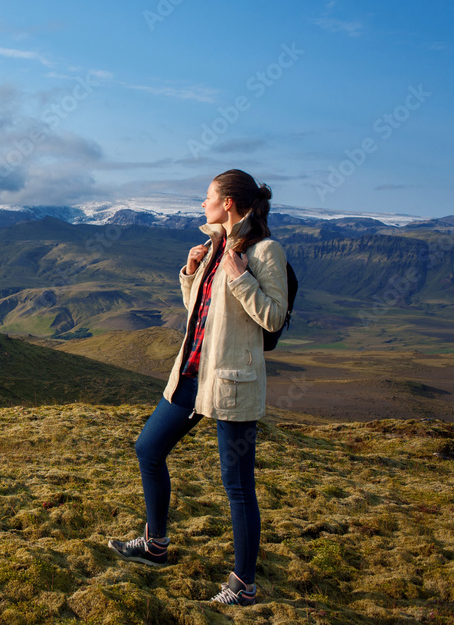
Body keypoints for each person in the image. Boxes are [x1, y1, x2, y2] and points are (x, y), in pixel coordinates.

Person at [107, 169, 289, 606]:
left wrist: (241, 277)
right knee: (148, 449)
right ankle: (155, 544)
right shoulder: (213, 246)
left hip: (232, 383)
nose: (202, 203)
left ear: (228, 203)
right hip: (191, 374)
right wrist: (191, 273)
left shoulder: (265, 251)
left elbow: (273, 318)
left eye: (208, 196)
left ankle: (243, 586)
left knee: (237, 484)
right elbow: (202, 312)